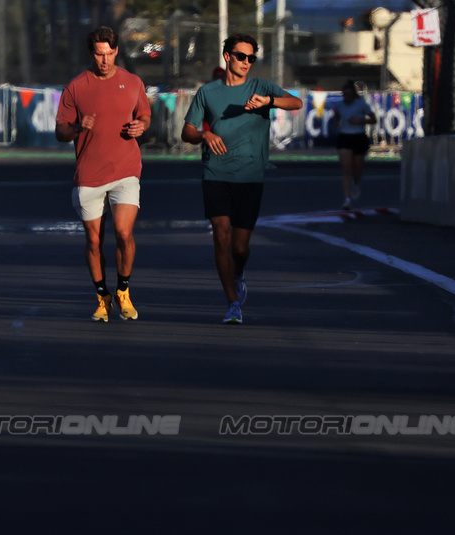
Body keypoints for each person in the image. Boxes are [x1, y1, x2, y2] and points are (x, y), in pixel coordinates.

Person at [181, 34, 302, 324]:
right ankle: (232, 303)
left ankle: (238, 272)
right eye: (241, 56)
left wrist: (270, 102)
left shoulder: (261, 87)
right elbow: (186, 132)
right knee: (221, 235)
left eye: (251, 58)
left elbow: (295, 102)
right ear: (227, 57)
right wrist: (204, 134)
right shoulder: (208, 92)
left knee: (240, 247)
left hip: (250, 175)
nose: (246, 63)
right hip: (215, 173)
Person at [54, 26, 151, 323]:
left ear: (116, 51)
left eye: (109, 54)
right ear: (91, 53)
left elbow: (144, 114)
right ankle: (101, 296)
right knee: (94, 242)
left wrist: (142, 126)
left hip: (126, 170)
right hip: (89, 175)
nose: (104, 60)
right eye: (99, 54)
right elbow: (60, 131)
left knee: (124, 233)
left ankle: (123, 290)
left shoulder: (133, 82)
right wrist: (78, 128)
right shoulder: (76, 87)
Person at [330, 80, 377, 209]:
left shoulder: (361, 104)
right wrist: (337, 122)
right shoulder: (340, 105)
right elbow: (336, 115)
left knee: (357, 167)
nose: (347, 98)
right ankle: (347, 199)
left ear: (354, 95)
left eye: (349, 95)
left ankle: (356, 183)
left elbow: (373, 119)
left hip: (359, 137)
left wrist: (360, 121)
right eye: (345, 95)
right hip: (345, 136)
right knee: (346, 168)